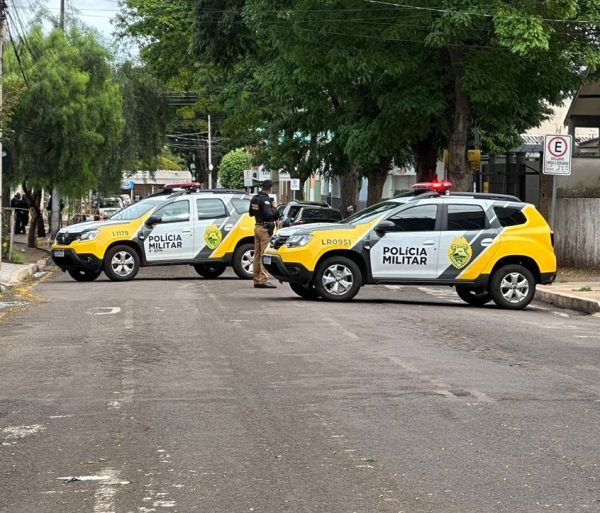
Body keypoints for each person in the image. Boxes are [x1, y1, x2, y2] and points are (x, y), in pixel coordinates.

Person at [248, 180, 280, 288]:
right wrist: (274, 207)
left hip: (257, 226)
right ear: (269, 188)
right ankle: (263, 280)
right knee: (264, 254)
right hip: (265, 229)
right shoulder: (266, 200)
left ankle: (256, 279)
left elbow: (251, 213)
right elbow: (269, 215)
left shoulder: (254, 198)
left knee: (256, 254)